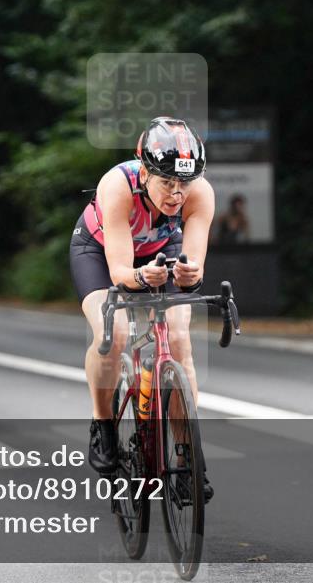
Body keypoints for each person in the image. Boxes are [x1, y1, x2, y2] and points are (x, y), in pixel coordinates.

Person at [70, 116, 215, 500]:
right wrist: (139, 278)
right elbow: (120, 272)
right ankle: (103, 427)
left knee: (181, 341)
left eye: (184, 183)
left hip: (160, 252)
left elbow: (193, 267)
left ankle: (187, 457)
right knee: (113, 333)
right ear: (144, 171)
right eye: (166, 181)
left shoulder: (200, 193)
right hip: (100, 252)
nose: (176, 193)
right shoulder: (117, 185)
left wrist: (188, 274)